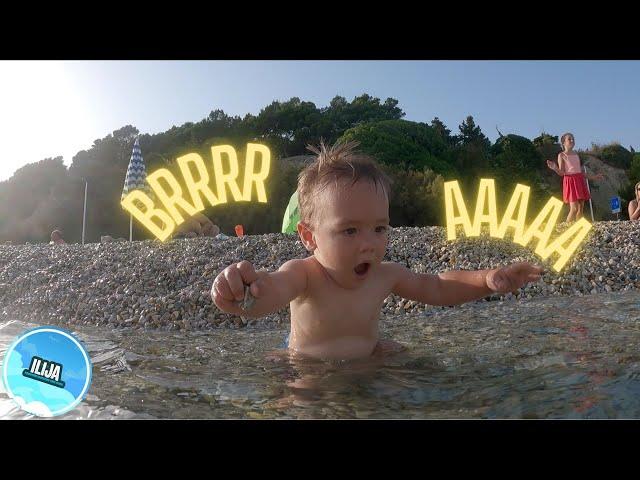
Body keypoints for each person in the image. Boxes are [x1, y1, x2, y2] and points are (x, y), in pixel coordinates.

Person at [211, 141, 544, 361]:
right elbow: (270, 291)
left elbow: (438, 286)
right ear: (309, 236)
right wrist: (242, 294)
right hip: (309, 367)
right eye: (350, 230)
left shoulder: (385, 275)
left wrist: (486, 279)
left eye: (379, 228)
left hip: (368, 359)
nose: (369, 243)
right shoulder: (303, 274)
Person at [546, 133, 603, 223]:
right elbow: (561, 173)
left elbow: (580, 172)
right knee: (574, 208)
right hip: (570, 181)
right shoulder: (562, 155)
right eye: (569, 139)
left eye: (573, 139)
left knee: (580, 208)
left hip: (579, 180)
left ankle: (577, 228)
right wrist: (555, 168)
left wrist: (594, 177)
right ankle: (566, 227)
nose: (572, 140)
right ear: (563, 142)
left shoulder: (576, 155)